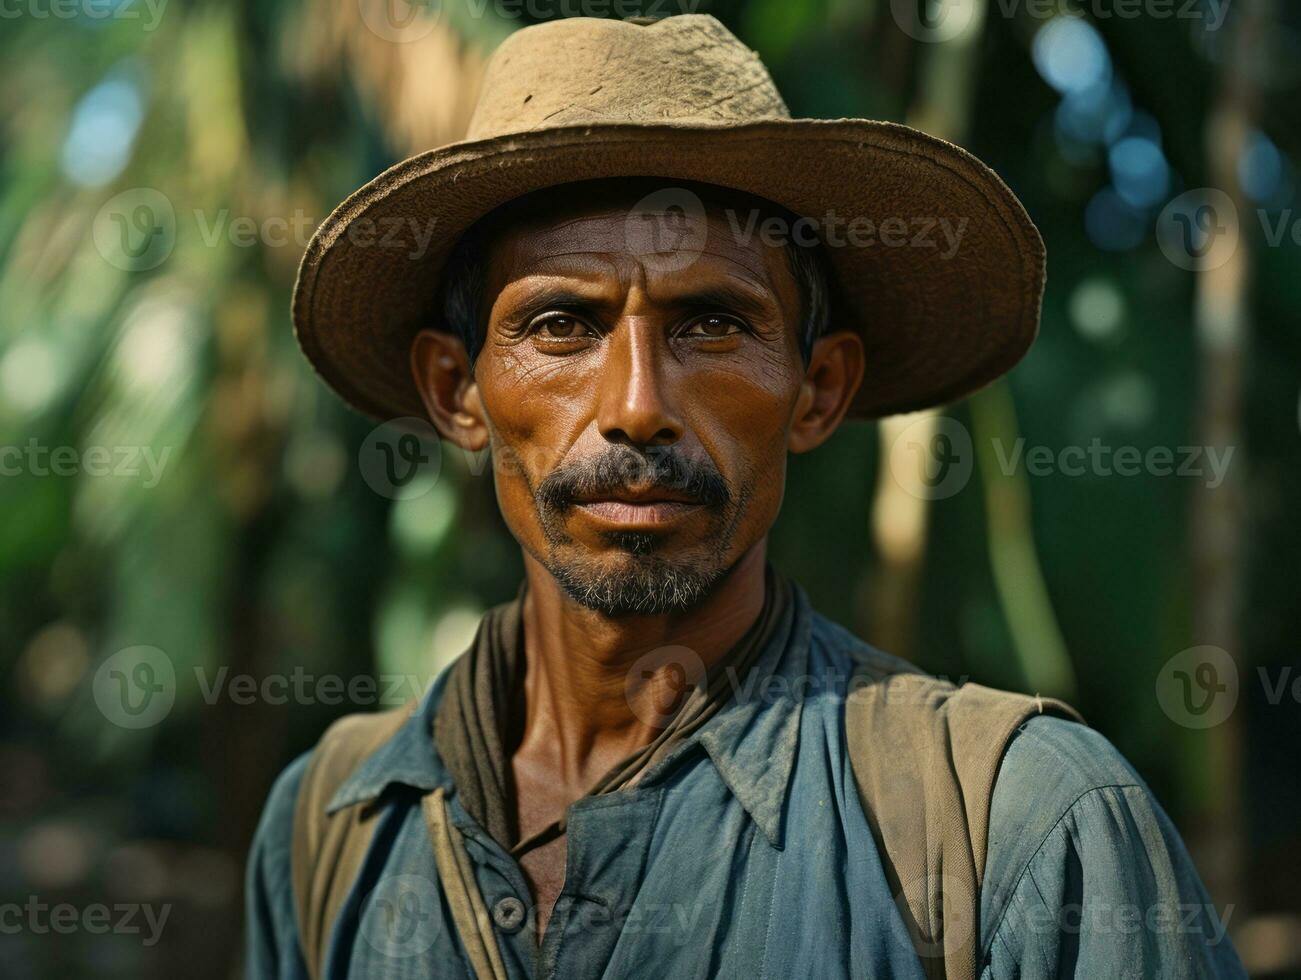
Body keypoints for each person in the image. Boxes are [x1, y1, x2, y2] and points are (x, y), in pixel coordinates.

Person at [247, 14, 1246, 979]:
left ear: (817, 390)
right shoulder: (332, 824)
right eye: (560, 325)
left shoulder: (1027, 826)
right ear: (456, 391)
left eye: (712, 326)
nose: (636, 406)